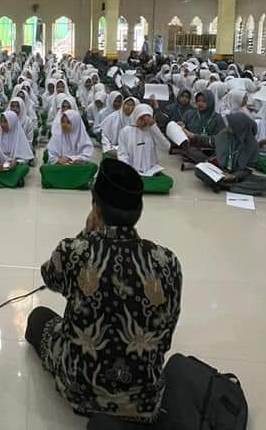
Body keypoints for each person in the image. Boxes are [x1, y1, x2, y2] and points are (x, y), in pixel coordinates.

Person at [27, 158, 182, 424]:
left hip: (80, 390)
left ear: (96, 209)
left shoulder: (74, 251)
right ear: (138, 211)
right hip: (143, 398)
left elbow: (49, 278)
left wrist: (87, 234)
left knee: (38, 318)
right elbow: (166, 336)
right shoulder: (166, 261)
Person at [194, 113, 266, 195]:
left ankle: (226, 186)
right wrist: (193, 136)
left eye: (231, 125)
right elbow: (210, 140)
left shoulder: (252, 145)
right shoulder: (224, 134)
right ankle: (231, 185)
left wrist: (233, 176)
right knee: (198, 170)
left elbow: (249, 169)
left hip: (240, 176)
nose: (227, 126)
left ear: (240, 127)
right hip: (221, 172)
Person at [117, 104, 174, 194]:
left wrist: (153, 126)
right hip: (132, 171)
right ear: (136, 116)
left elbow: (166, 147)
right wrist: (127, 171)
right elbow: (122, 154)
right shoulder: (126, 131)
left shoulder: (151, 130)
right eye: (141, 118)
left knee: (168, 182)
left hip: (151, 172)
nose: (144, 122)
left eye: (146, 118)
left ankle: (140, 184)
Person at [41, 109, 98, 190]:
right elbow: (51, 156)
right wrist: (58, 160)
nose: (64, 125)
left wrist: (73, 159)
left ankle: (59, 181)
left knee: (92, 167)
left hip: (77, 166)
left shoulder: (83, 137)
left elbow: (87, 155)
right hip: (61, 166)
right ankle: (79, 182)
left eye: (68, 122)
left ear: (76, 124)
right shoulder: (57, 135)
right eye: (63, 122)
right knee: (44, 168)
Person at [0, 110, 34, 188]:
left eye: (5, 122)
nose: (2, 125)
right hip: (1, 165)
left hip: (14, 166)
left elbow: (25, 155)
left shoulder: (19, 134)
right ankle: (14, 180)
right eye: (1, 122)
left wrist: (16, 161)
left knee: (24, 168)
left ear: (12, 122)